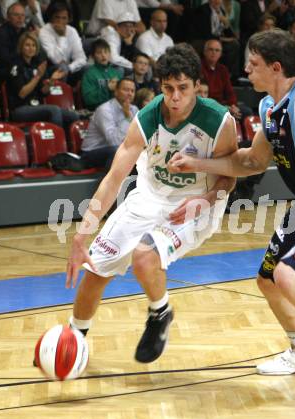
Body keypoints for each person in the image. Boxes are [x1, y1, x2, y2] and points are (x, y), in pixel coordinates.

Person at [168, 29, 295, 404]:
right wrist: (195, 163)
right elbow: (251, 161)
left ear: (276, 67)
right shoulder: (268, 107)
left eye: (254, 63)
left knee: (286, 273)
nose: (246, 68)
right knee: (268, 279)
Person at [64, 43, 237, 365]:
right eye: (168, 88)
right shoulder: (147, 116)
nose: (174, 97)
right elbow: (114, 177)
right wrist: (80, 235)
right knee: (95, 270)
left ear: (197, 86)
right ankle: (73, 339)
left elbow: (231, 176)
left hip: (196, 202)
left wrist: (208, 198)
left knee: (144, 258)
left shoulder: (219, 121)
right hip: (148, 195)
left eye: (183, 88)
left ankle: (159, 313)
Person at [7, 31, 79, 131]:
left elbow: (42, 92)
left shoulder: (35, 65)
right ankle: (56, 142)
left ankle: (67, 142)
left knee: (73, 116)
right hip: (20, 109)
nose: (31, 48)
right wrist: (37, 77)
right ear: (21, 47)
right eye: (27, 45)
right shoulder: (15, 66)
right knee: (54, 110)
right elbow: (22, 93)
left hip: (36, 106)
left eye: (33, 45)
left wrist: (52, 81)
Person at [80, 78, 138, 169]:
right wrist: (127, 118)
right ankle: (111, 183)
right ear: (116, 92)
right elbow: (113, 141)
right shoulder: (104, 110)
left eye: (132, 91)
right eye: (126, 90)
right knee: (117, 151)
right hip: (91, 152)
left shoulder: (134, 109)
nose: (130, 93)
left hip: (117, 149)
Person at [38, 1, 86, 86]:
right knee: (61, 68)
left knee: (88, 68)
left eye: (64, 18)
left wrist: (70, 68)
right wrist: (61, 36)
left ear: (68, 19)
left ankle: (81, 98)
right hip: (51, 69)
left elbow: (81, 58)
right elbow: (56, 60)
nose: (60, 21)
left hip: (69, 68)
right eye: (57, 17)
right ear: (51, 17)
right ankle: (59, 97)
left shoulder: (72, 31)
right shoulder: (44, 31)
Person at [81, 38, 123, 111]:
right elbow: (88, 99)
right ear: (93, 56)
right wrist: (107, 88)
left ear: (109, 54)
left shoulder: (116, 73)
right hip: (97, 111)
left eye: (106, 52)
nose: (103, 55)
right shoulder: (89, 74)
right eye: (99, 53)